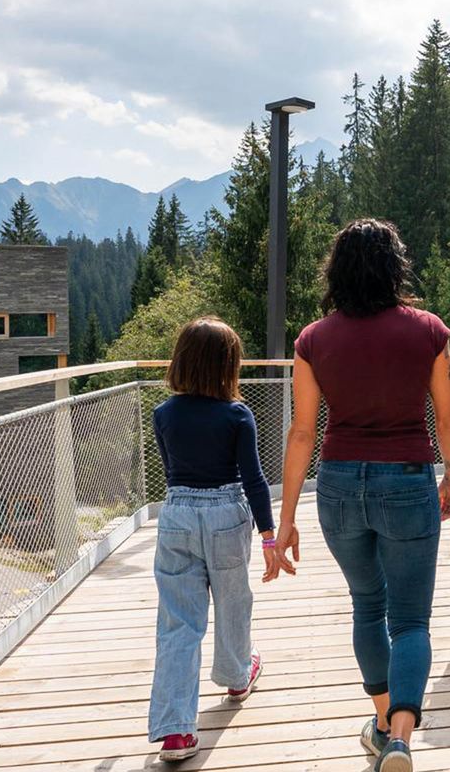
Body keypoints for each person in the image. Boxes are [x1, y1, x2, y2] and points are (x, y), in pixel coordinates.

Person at [274, 219, 450, 772]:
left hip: (336, 487)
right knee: (411, 622)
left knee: (367, 606)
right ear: (394, 265)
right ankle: (401, 735)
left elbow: (302, 432)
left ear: (337, 271)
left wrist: (285, 521)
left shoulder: (313, 339)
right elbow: (447, 418)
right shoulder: (428, 331)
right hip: (407, 480)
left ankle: (381, 722)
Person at [146, 317, 282, 763]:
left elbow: (171, 474)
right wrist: (268, 537)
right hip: (226, 513)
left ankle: (176, 733)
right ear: (229, 366)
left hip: (178, 514)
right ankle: (237, 677)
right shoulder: (237, 415)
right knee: (233, 601)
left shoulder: (163, 414)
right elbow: (255, 480)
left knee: (178, 623)